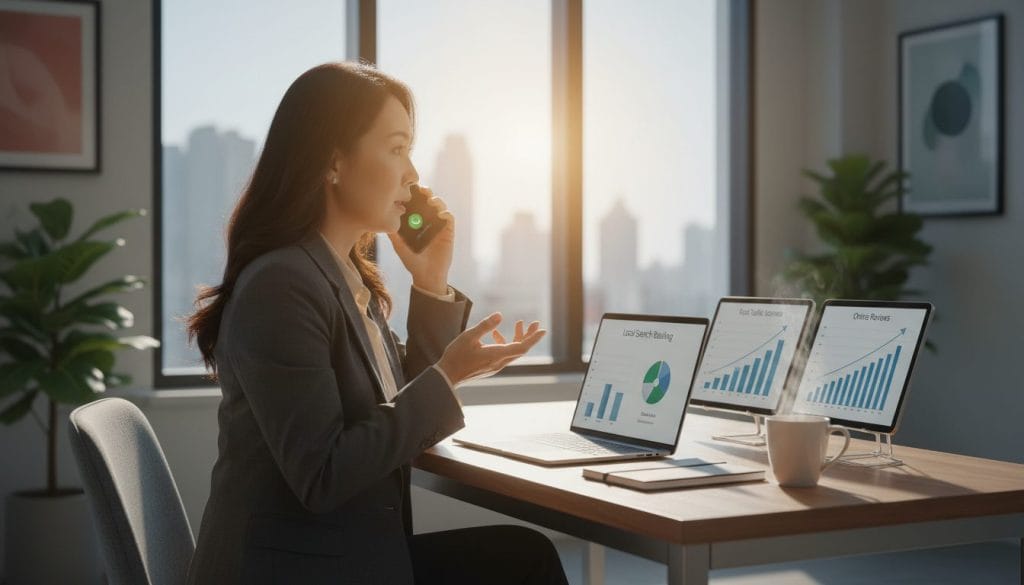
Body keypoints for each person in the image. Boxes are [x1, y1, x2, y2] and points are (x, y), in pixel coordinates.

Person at [184, 62, 569, 585]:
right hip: (293, 570)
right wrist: (447, 376)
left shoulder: (339, 275)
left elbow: (391, 403)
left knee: (522, 555)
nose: (412, 173)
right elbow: (323, 474)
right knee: (522, 563)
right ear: (333, 162)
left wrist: (431, 284)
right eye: (396, 148)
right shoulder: (284, 284)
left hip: (340, 556)